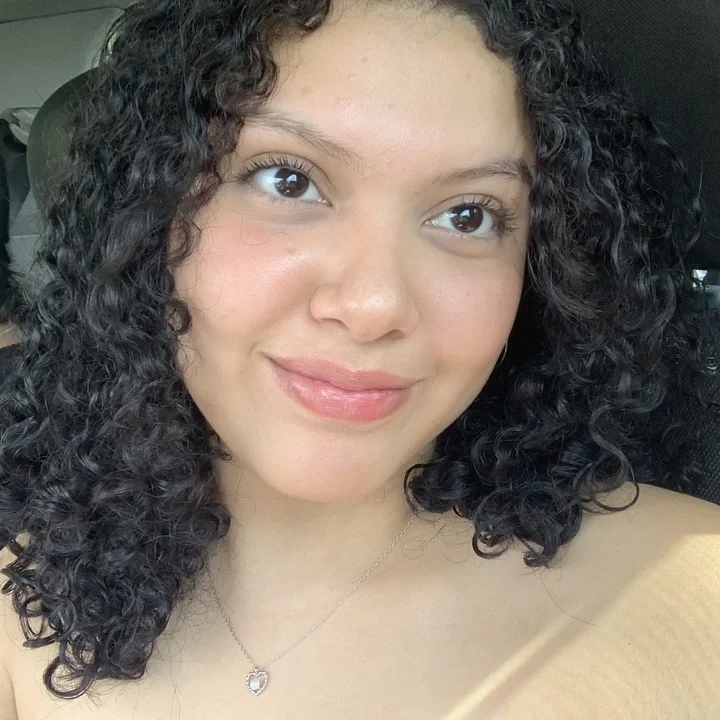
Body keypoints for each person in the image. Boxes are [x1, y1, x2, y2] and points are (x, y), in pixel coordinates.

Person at [1, 0, 719, 717]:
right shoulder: (22, 602)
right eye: (288, 180)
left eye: (468, 215)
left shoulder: (691, 591)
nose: (375, 304)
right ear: (148, 220)